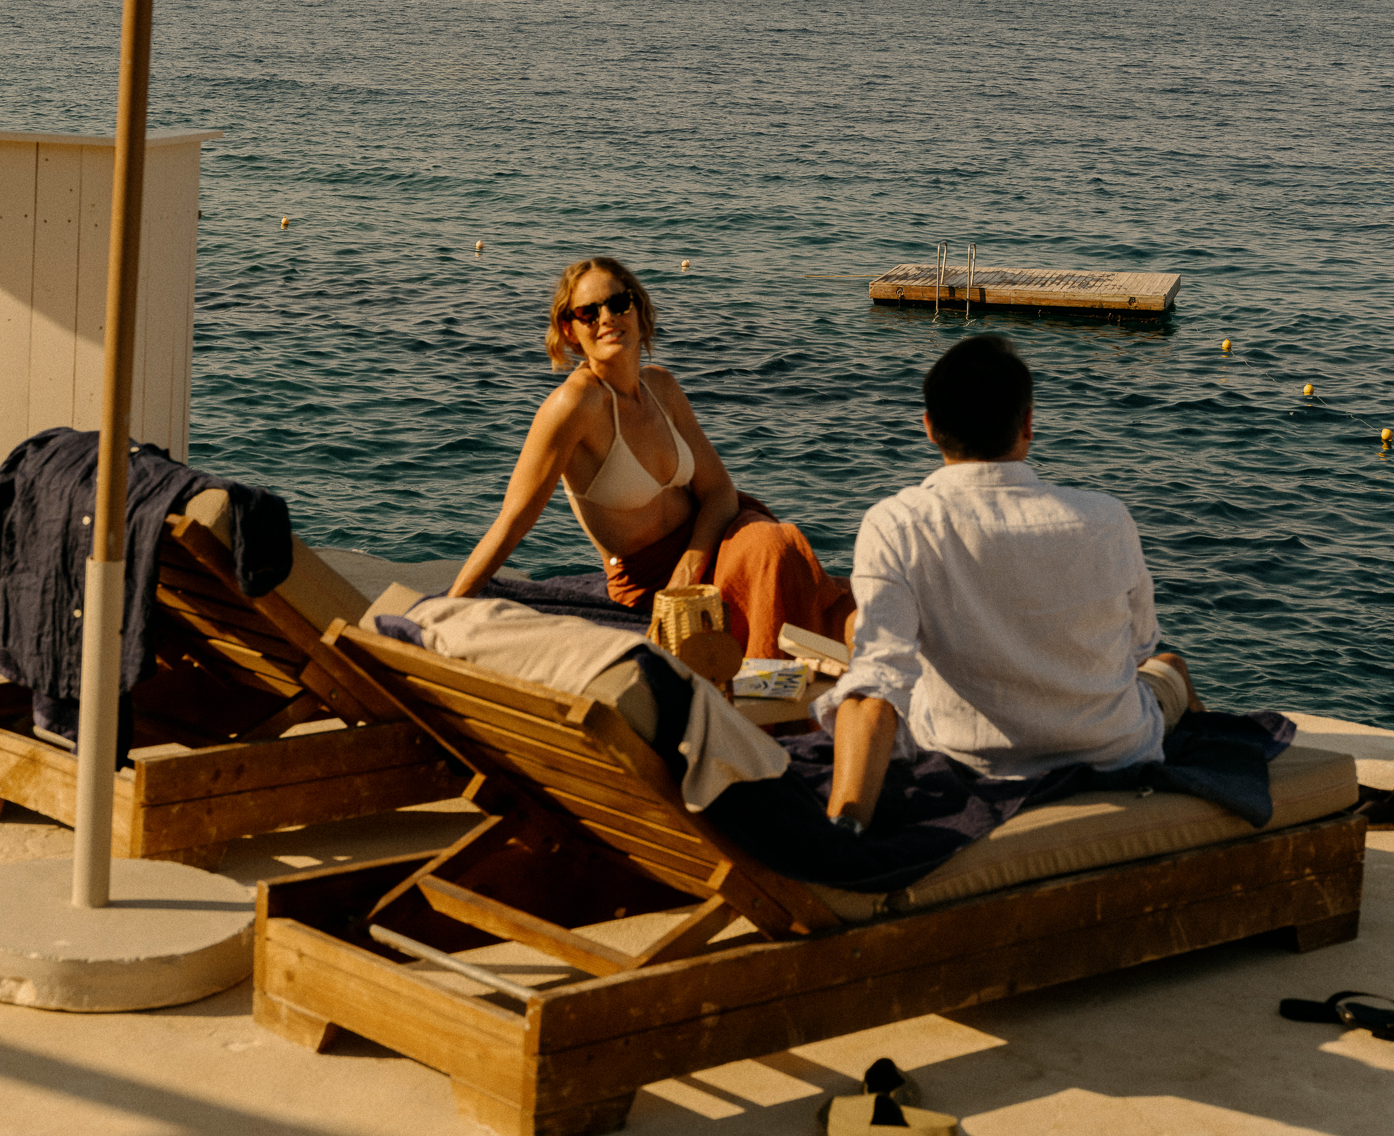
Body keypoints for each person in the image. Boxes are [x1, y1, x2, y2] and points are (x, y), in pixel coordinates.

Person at [818, 332, 1199, 830]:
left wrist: (845, 827)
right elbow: (1139, 647)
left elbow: (878, 684)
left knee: (861, 632)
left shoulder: (897, 523)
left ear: (929, 427)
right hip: (1113, 752)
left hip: (971, 758)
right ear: (1028, 424)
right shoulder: (1107, 518)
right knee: (1168, 667)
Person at [450, 256, 854, 657]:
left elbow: (719, 493)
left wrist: (689, 569)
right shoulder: (572, 406)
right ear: (570, 330)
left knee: (798, 564)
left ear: (638, 311)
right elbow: (514, 520)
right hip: (647, 584)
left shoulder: (661, 387)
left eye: (618, 303)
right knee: (779, 562)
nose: (607, 318)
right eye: (588, 312)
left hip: (715, 544)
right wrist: (446, 609)